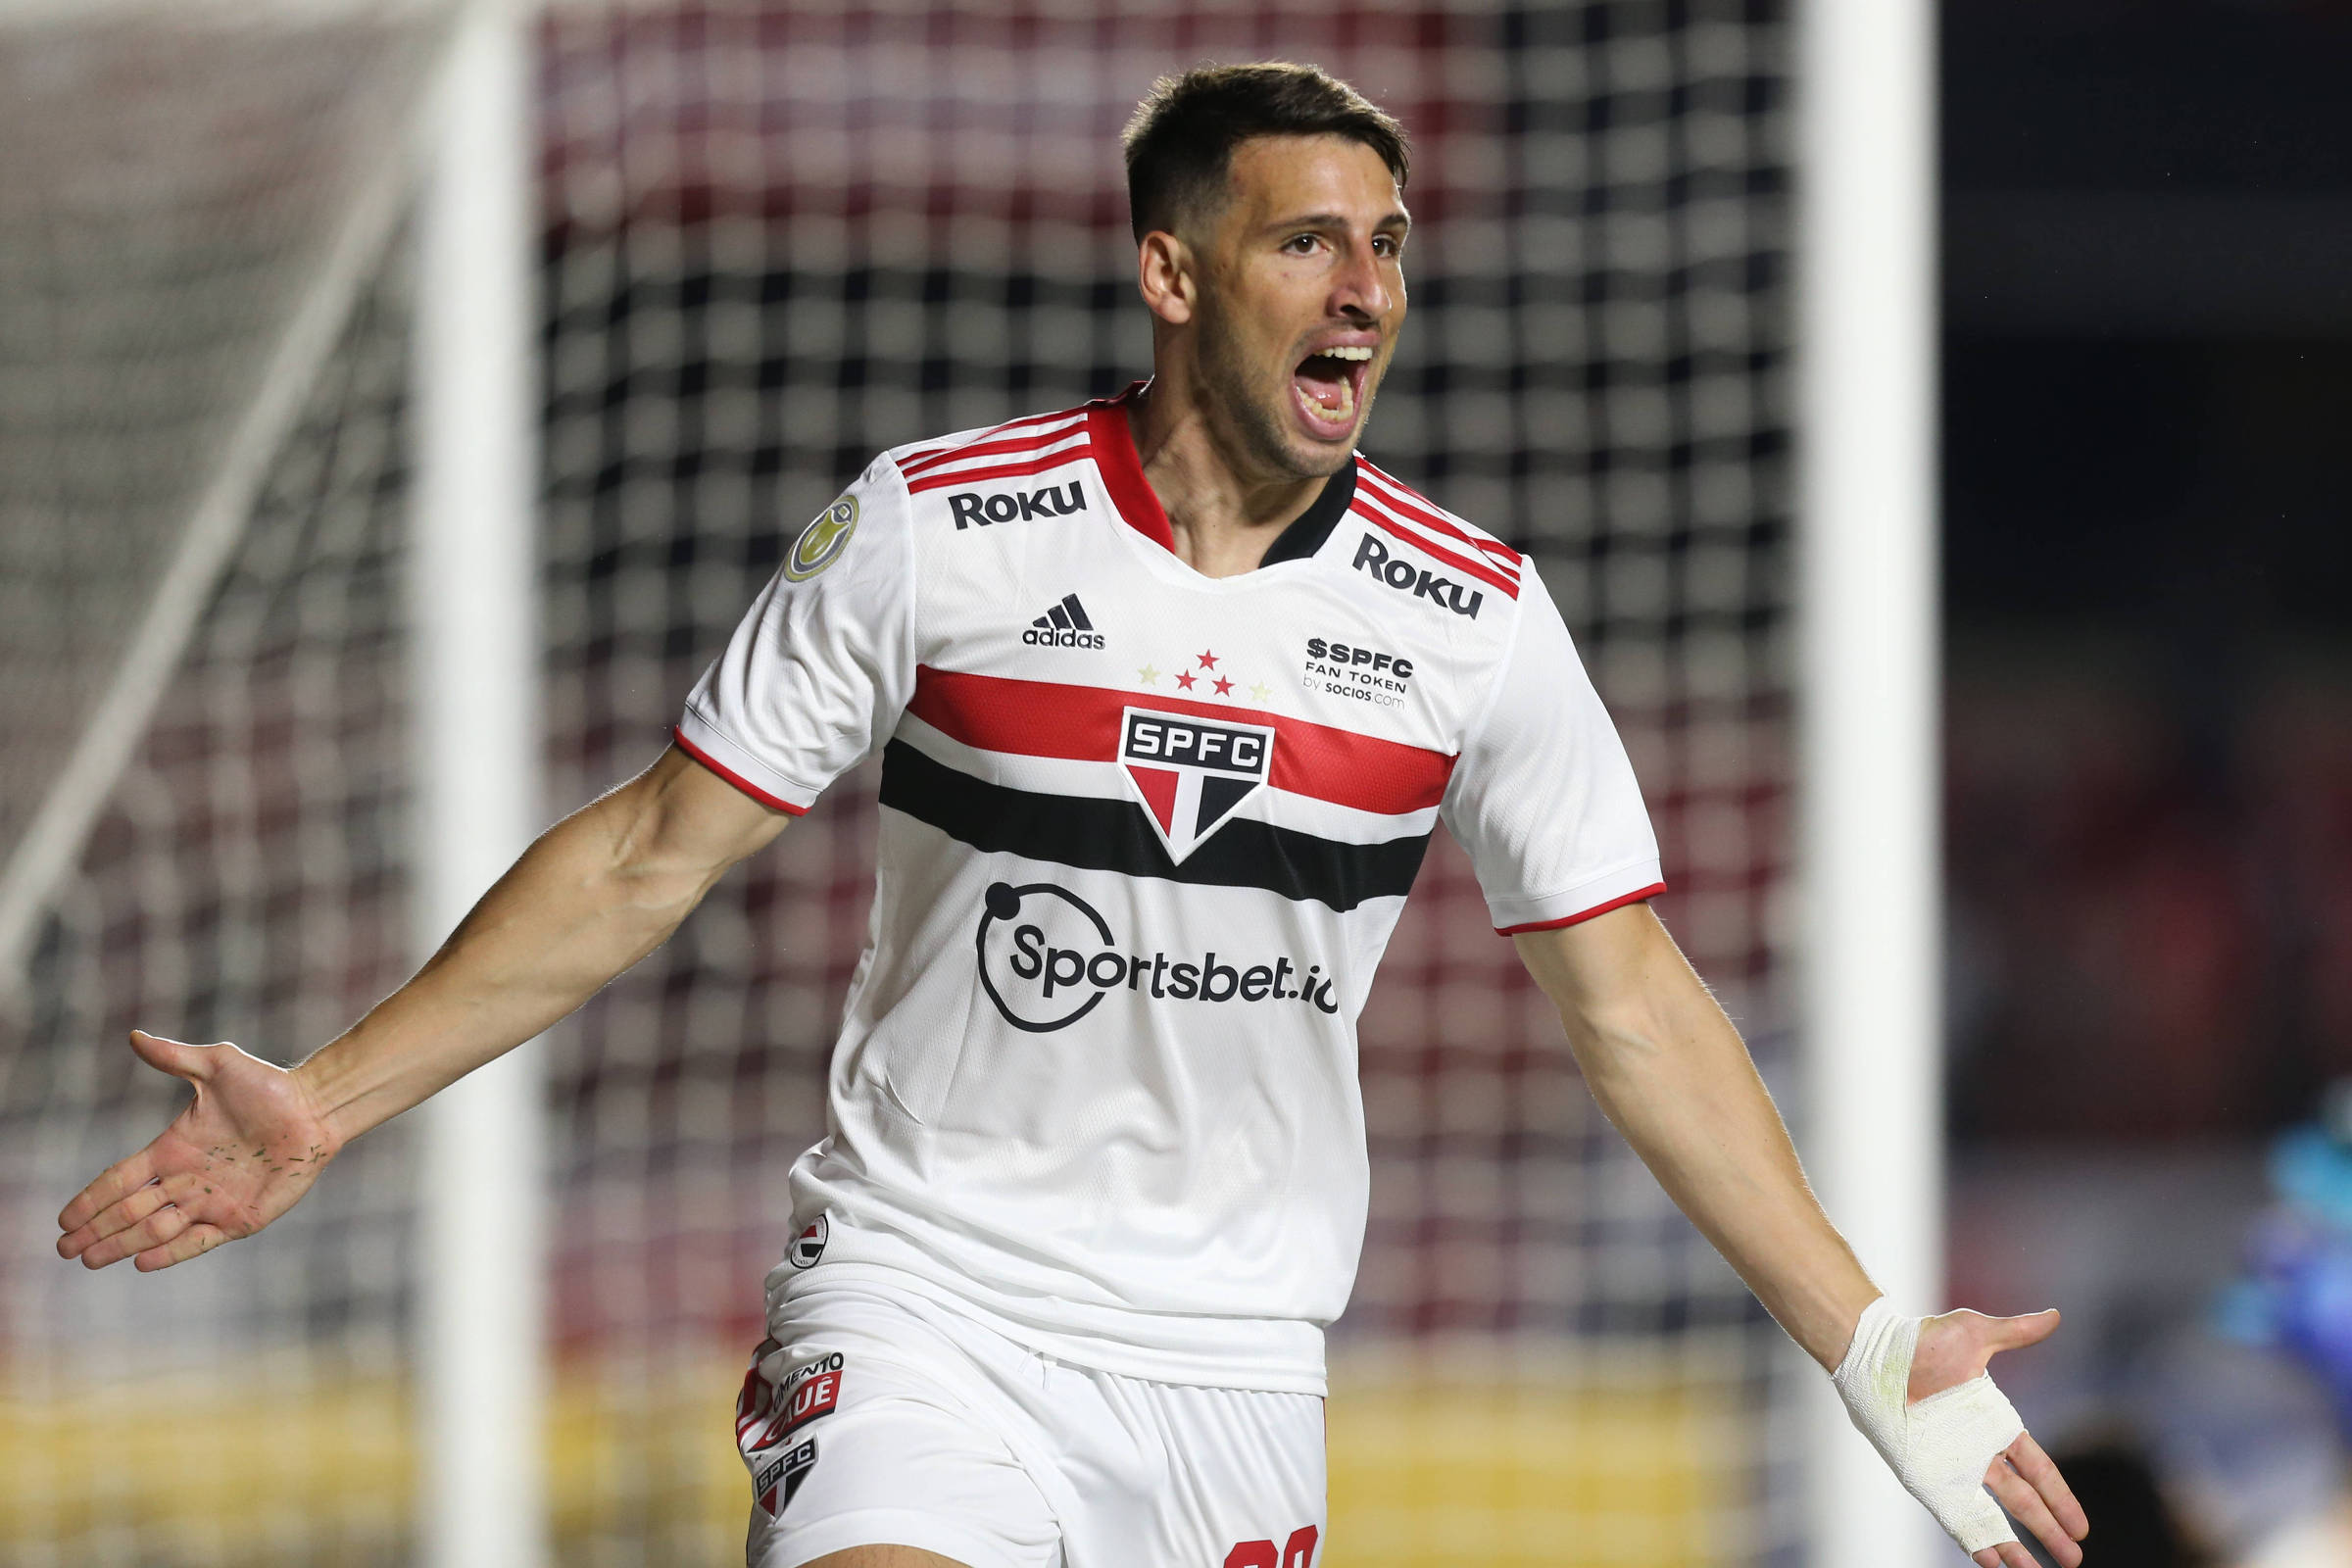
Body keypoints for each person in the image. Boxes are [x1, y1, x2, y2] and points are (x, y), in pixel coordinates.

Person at [56, 63, 2089, 1568]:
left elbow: (1633, 1000)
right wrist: (324, 1096)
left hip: (1233, 1371)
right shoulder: (937, 527)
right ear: (1172, 270)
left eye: (1388, 245)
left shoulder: (1471, 616)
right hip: (925, 1296)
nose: (1365, 286)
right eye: (1310, 240)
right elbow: (648, 851)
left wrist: (1868, 1332)